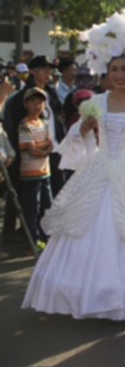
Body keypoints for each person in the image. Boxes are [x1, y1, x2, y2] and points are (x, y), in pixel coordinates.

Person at [22, 8, 125, 320]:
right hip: (100, 171)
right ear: (106, 72)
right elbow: (76, 139)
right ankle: (88, 292)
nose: (120, 75)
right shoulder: (96, 102)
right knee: (87, 228)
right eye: (114, 70)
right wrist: (84, 130)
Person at [3, 55, 67, 239]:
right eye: (44, 69)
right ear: (33, 72)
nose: (49, 73)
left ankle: (44, 229)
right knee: (25, 194)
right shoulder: (22, 98)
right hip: (28, 155)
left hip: (52, 150)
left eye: (50, 70)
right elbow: (14, 127)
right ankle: (20, 232)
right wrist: (26, 150)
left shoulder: (50, 93)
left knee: (49, 193)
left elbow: (57, 120)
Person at [17, 87, 54, 248]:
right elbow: (31, 149)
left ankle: (45, 237)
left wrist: (42, 148)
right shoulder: (24, 124)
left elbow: (50, 144)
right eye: (33, 102)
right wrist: (44, 147)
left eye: (40, 102)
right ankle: (33, 240)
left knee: (47, 205)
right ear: (26, 104)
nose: (37, 105)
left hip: (45, 172)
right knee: (33, 208)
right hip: (30, 173)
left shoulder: (44, 123)